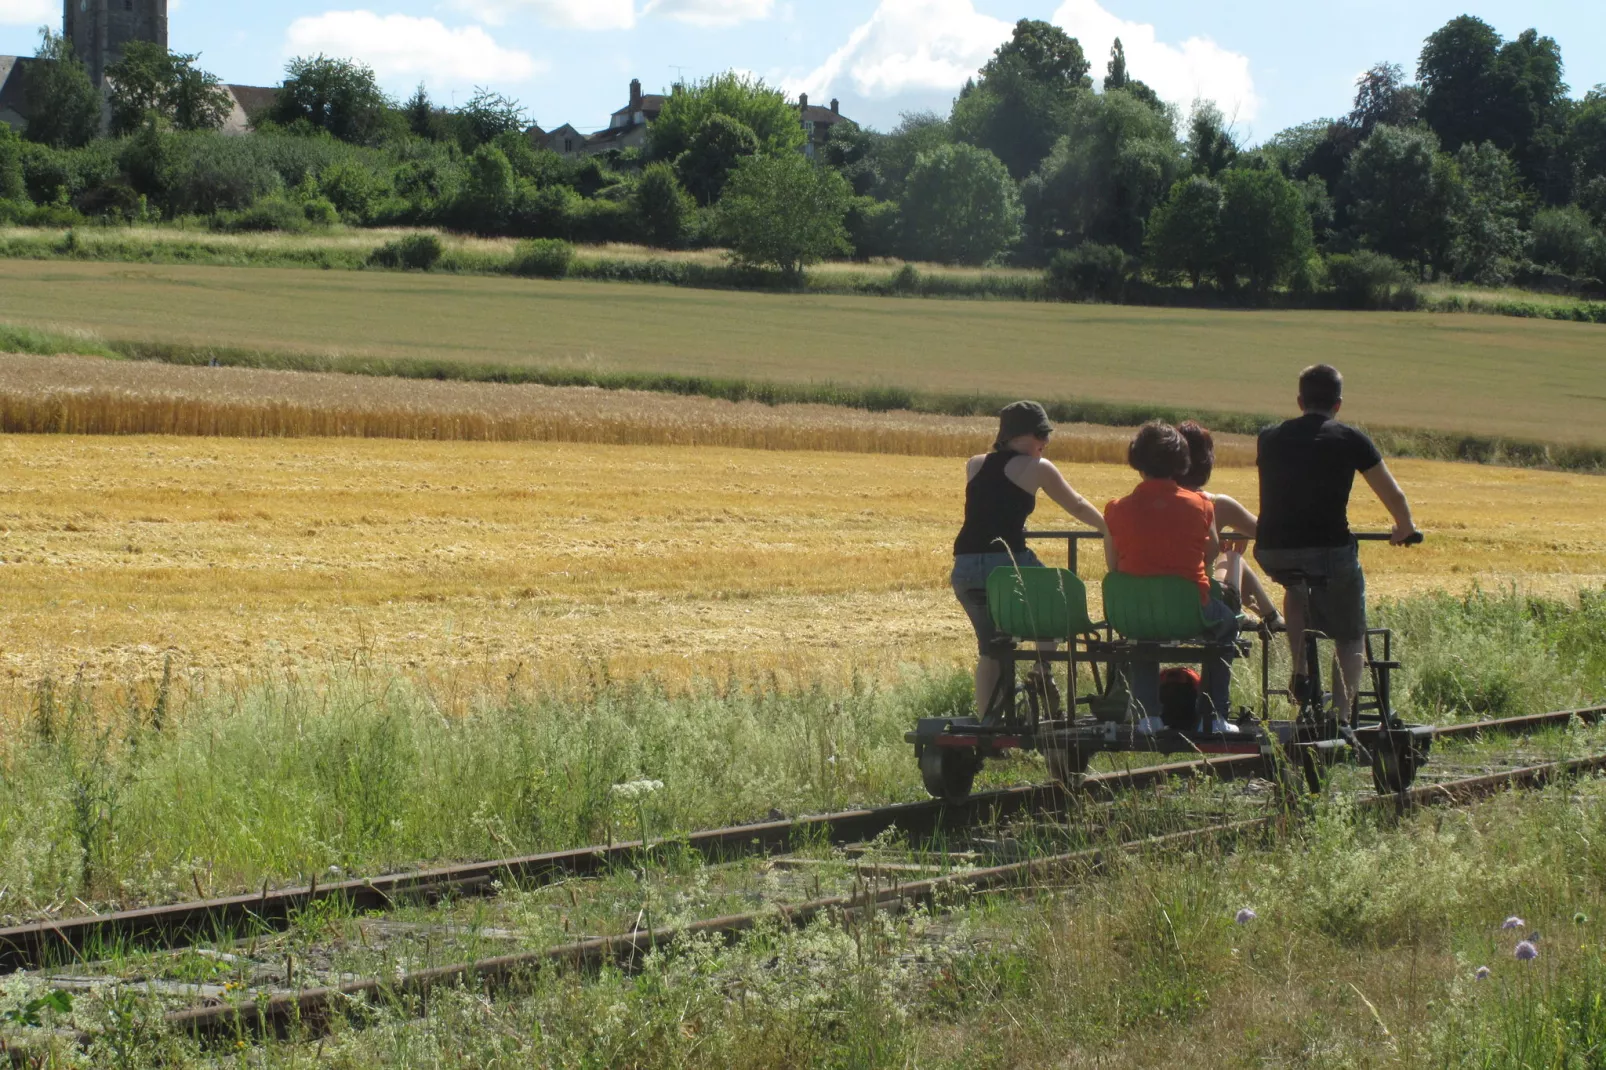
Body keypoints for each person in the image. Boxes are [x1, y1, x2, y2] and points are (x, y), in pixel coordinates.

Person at [1254, 364, 1418, 719]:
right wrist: (1404, 526)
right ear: (1338, 405)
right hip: (1328, 550)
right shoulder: (1350, 439)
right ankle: (1342, 715)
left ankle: (1301, 669)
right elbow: (1392, 493)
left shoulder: (1269, 437)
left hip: (1272, 551)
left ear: (1300, 401)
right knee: (1349, 633)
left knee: (1295, 589)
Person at [952, 401, 1110, 719]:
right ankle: (1041, 668)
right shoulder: (1038, 467)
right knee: (1060, 600)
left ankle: (988, 730)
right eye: (1044, 436)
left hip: (966, 567)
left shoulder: (975, 464)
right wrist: (1107, 527)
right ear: (1033, 435)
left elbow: (991, 506)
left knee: (991, 651)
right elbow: (1076, 505)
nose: (1045, 444)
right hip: (1007, 564)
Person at [1103, 421, 1239, 731]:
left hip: (1132, 611)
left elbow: (1113, 565)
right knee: (1227, 625)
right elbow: (1211, 552)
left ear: (1137, 461)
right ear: (1181, 462)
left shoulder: (1115, 509)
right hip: (1189, 610)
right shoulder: (1201, 505)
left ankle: (1147, 716)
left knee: (1143, 637)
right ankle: (1215, 715)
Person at [1175, 421, 1282, 631]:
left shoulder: (1157, 501)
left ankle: (1269, 615)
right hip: (1203, 600)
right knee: (1233, 558)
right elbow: (1266, 533)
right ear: (1207, 461)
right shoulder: (1216, 504)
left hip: (1165, 597)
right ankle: (1271, 616)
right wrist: (1238, 532)